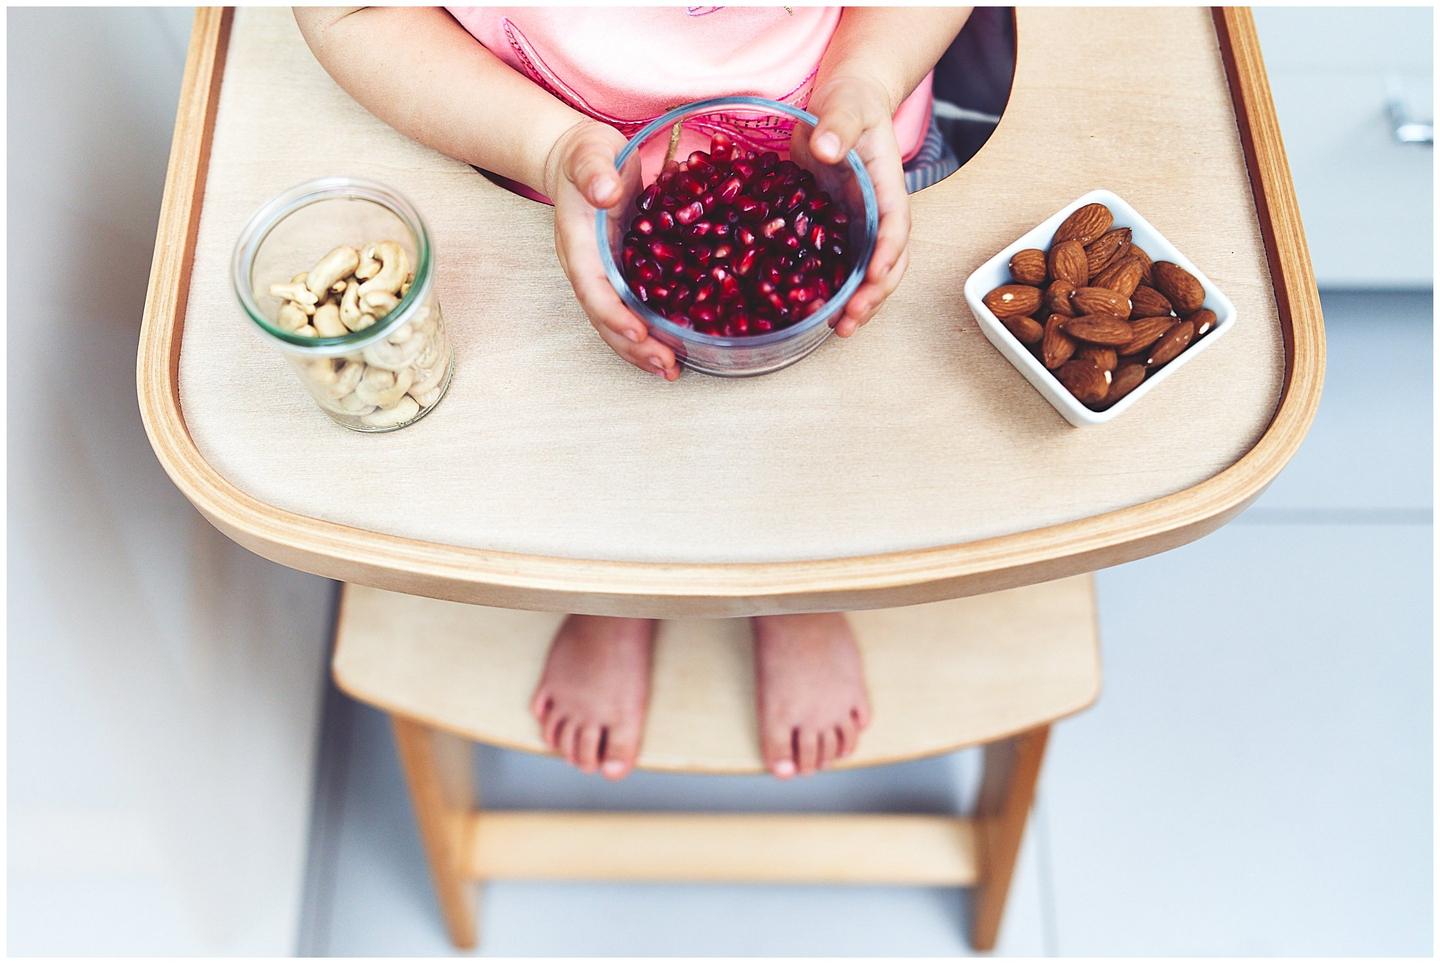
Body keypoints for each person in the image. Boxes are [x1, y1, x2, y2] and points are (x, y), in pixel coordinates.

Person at [295, 5, 972, 781]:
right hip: (552, 177)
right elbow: (354, 14)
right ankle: (619, 590)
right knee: (600, 432)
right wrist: (547, 144)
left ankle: (797, 588)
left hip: (862, 129)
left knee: (837, 419)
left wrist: (868, 77)